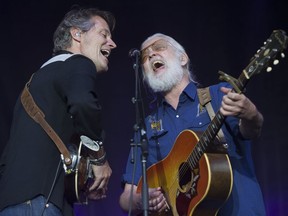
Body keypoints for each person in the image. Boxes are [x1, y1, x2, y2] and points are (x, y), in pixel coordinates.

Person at [119, 33, 266, 215]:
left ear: (183, 58)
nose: (150, 55)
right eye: (144, 55)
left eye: (159, 47)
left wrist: (251, 114)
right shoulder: (146, 126)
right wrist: (143, 200)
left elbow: (252, 131)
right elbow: (127, 196)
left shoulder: (218, 95)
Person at [0, 7, 117, 216]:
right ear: (77, 34)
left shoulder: (37, 82)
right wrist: (99, 158)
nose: (112, 43)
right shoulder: (78, 63)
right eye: (104, 34)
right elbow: (83, 104)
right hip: (40, 206)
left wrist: (78, 185)